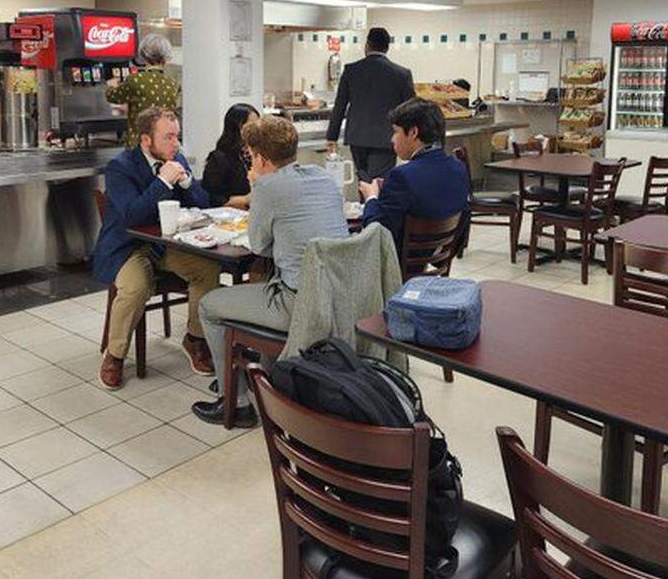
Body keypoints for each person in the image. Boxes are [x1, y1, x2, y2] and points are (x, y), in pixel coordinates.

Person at [191, 116, 349, 427]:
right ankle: (262, 378)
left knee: (209, 305)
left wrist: (255, 186)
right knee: (267, 281)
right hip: (338, 294)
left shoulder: (267, 187)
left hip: (299, 304)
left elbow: (259, 245)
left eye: (250, 155)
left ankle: (234, 402)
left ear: (260, 158)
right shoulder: (322, 177)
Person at [92, 107, 220, 390]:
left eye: (177, 137)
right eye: (168, 138)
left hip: (168, 245)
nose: (175, 144)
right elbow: (131, 216)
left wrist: (187, 182)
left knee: (208, 269)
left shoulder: (177, 159)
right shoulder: (121, 167)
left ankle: (195, 339)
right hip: (129, 246)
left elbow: (205, 205)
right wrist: (162, 181)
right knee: (137, 287)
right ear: (146, 140)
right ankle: (114, 355)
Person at [360, 98, 469, 246]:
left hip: (400, 263)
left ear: (413, 132)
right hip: (438, 256)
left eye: (396, 132)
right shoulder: (458, 168)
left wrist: (371, 197)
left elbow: (378, 233)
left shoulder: (401, 176)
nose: (392, 139)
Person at [326, 27, 415, 182]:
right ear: (387, 47)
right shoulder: (401, 74)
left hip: (357, 137)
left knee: (363, 181)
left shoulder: (351, 70)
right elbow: (411, 109)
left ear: (367, 45)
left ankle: (365, 205)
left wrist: (331, 137)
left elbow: (339, 106)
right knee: (379, 183)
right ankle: (373, 206)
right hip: (386, 139)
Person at [106, 33, 179, 148]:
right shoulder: (172, 83)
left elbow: (113, 97)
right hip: (163, 146)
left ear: (143, 54)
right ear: (166, 56)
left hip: (139, 146)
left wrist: (111, 84)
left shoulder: (135, 80)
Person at [202, 103, 259, 209]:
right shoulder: (219, 158)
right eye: (251, 126)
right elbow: (212, 198)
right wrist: (246, 199)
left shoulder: (255, 154)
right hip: (230, 216)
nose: (256, 131)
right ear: (238, 128)